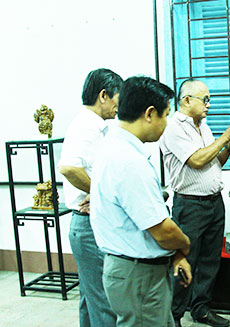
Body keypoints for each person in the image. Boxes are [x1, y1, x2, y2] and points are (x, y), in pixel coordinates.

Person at [90, 76, 192, 327]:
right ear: (149, 114)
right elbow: (163, 230)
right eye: (165, 115)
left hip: (134, 269)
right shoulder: (129, 162)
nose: (166, 123)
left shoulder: (112, 147)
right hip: (139, 275)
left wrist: (175, 255)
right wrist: (184, 246)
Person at [160, 78, 230, 327]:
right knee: (185, 261)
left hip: (213, 202)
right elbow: (196, 160)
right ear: (187, 100)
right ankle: (174, 315)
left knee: (210, 261)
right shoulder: (174, 128)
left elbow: (213, 162)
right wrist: (224, 137)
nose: (209, 105)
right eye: (205, 99)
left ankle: (200, 308)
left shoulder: (203, 126)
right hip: (189, 206)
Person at [58, 68, 123, 327]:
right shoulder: (87, 125)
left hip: (89, 224)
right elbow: (69, 167)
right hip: (88, 225)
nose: (119, 105)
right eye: (118, 97)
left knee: (91, 299)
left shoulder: (97, 126)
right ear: (104, 95)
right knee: (104, 304)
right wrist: (100, 195)